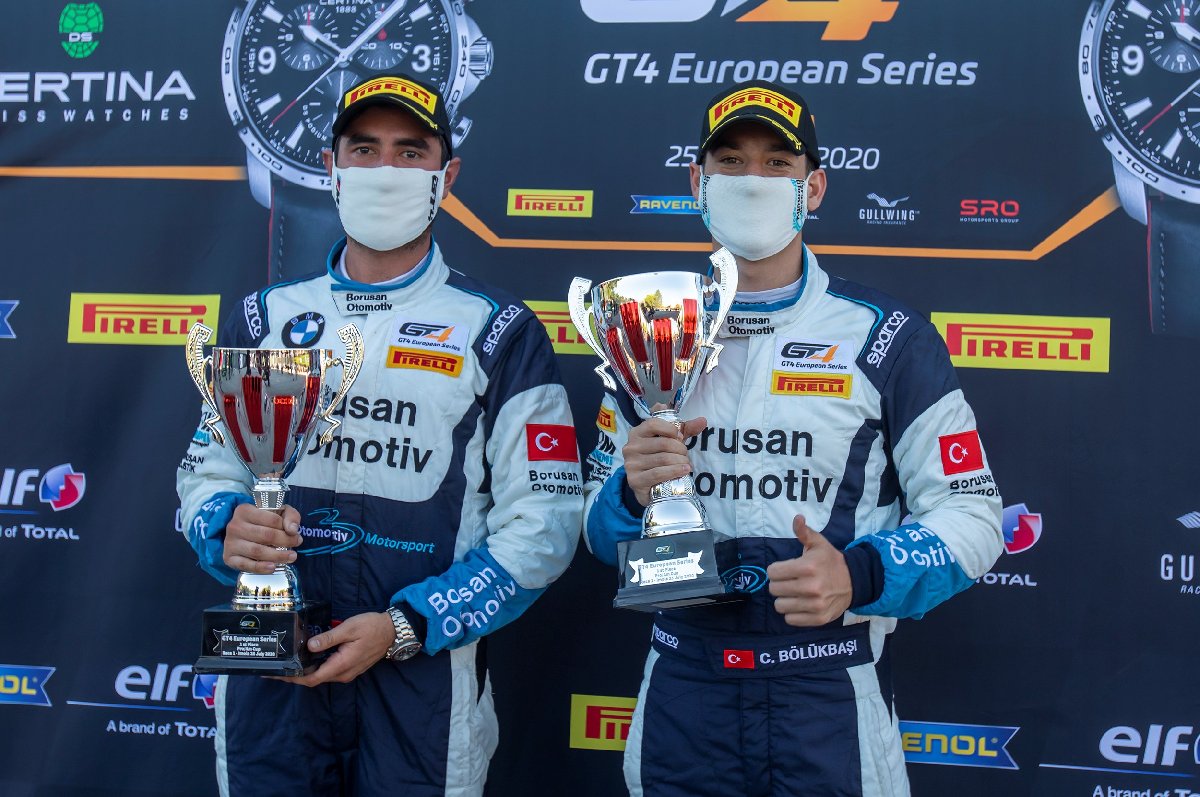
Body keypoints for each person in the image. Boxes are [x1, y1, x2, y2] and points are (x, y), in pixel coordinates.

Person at [582, 81, 1004, 797]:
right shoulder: (648, 327)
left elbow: (974, 516)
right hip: (684, 686)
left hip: (828, 691)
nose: (753, 180)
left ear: (813, 188)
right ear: (697, 184)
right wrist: (629, 495)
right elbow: (594, 531)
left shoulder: (886, 338)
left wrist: (859, 575)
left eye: (777, 163)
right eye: (731, 161)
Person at [177, 72, 582, 796]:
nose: (385, 169)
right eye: (363, 150)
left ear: (446, 176)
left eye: (410, 151)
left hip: (424, 688)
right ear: (330, 168)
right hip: (269, 676)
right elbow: (206, 474)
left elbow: (545, 525)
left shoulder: (498, 331)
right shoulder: (266, 317)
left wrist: (406, 627)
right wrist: (224, 526)